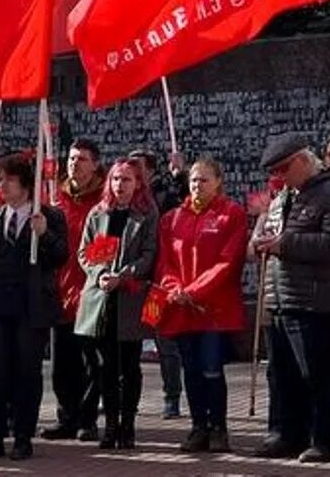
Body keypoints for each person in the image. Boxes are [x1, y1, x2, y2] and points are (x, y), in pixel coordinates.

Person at [249, 135, 330, 463]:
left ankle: (323, 439)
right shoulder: (285, 195)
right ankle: (286, 433)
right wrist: (261, 241)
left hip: (312, 299)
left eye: (283, 169)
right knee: (282, 374)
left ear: (302, 161)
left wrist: (287, 244)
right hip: (279, 297)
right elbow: (272, 233)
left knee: (315, 373)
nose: (279, 177)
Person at [0, 153, 67, 461]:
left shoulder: (49, 216)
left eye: (8, 179)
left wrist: (44, 234)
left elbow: (61, 256)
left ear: (25, 183)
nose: (2, 186)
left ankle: (23, 436)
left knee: (26, 373)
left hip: (30, 308)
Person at [154, 156, 248, 454]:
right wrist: (175, 289)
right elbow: (165, 263)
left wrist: (195, 291)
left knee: (211, 368)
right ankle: (198, 427)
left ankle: (219, 427)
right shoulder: (173, 218)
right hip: (182, 307)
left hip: (213, 310)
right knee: (191, 369)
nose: (197, 185)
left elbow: (228, 262)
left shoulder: (231, 214)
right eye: (194, 179)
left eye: (204, 179)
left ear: (219, 182)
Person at [74, 156, 159, 451]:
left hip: (130, 298)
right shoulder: (99, 213)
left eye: (126, 180)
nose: (120, 185)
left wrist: (122, 277)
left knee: (130, 367)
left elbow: (149, 254)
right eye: (115, 179)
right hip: (101, 299)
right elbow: (85, 252)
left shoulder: (147, 214)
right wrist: (100, 275)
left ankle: (128, 425)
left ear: (138, 184)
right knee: (106, 368)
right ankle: (109, 424)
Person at [43, 138, 105, 442]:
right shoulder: (57, 199)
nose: (74, 164)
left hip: (92, 290)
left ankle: (87, 418)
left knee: (91, 362)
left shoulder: (103, 200)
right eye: (71, 158)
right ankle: (65, 416)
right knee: (61, 363)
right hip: (60, 290)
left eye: (81, 159)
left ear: (95, 164)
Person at [130, 148, 185, 420]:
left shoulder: (165, 194)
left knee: (165, 343)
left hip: (157, 281)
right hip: (132, 280)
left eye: (138, 167)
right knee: (127, 341)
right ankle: (126, 396)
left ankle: (172, 397)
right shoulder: (126, 197)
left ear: (150, 170)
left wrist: (180, 178)